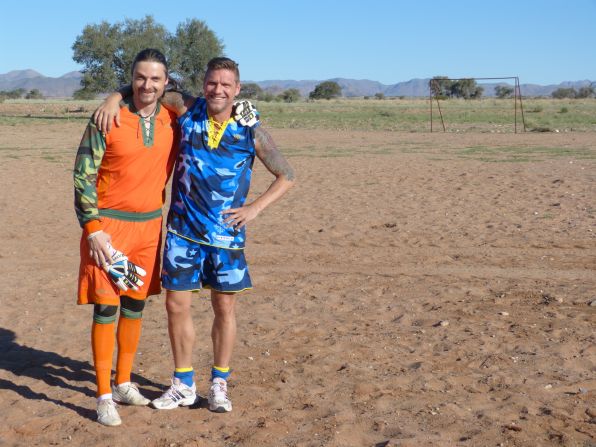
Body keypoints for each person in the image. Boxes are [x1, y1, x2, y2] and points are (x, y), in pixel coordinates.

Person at [95, 56, 295, 413]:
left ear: (237, 89)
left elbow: (287, 175)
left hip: (226, 238)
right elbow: (148, 88)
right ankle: (182, 384)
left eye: (225, 85)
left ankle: (219, 384)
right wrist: (114, 97)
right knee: (176, 306)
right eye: (212, 83)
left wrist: (254, 209)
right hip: (182, 232)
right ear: (203, 84)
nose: (217, 90)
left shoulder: (250, 128)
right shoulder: (185, 107)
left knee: (224, 307)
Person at [74, 48, 179, 426]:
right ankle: (104, 395)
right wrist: (92, 229)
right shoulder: (108, 117)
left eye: (155, 79)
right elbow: (82, 175)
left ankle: (123, 382)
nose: (146, 85)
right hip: (108, 228)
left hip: (150, 228)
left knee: (135, 306)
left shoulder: (174, 118)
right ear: (131, 78)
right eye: (139, 77)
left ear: (166, 83)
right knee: (106, 307)